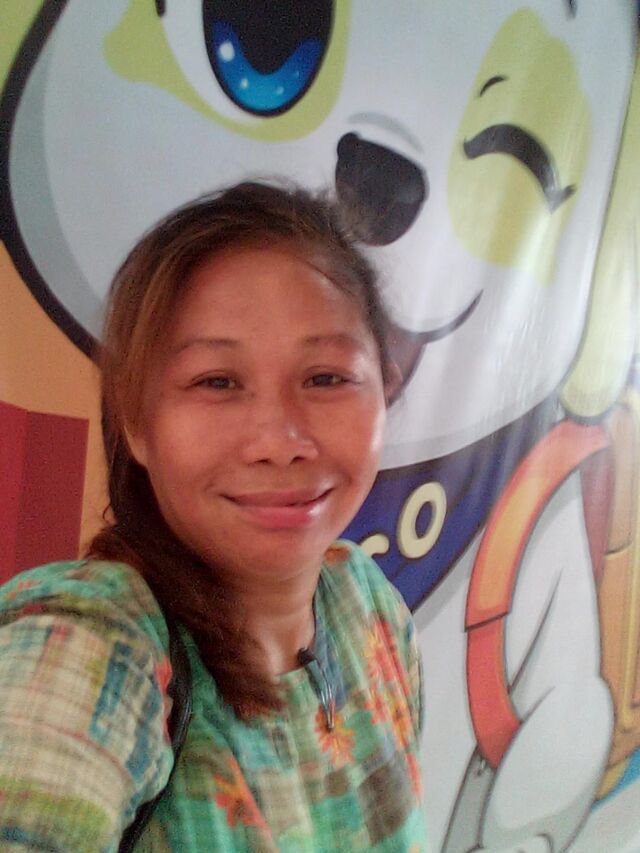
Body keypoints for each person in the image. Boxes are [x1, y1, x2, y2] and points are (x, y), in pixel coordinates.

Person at [0, 182, 425, 851]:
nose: (279, 441)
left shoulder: (370, 608)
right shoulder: (95, 646)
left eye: (326, 377)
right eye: (217, 382)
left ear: (385, 390)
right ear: (137, 423)